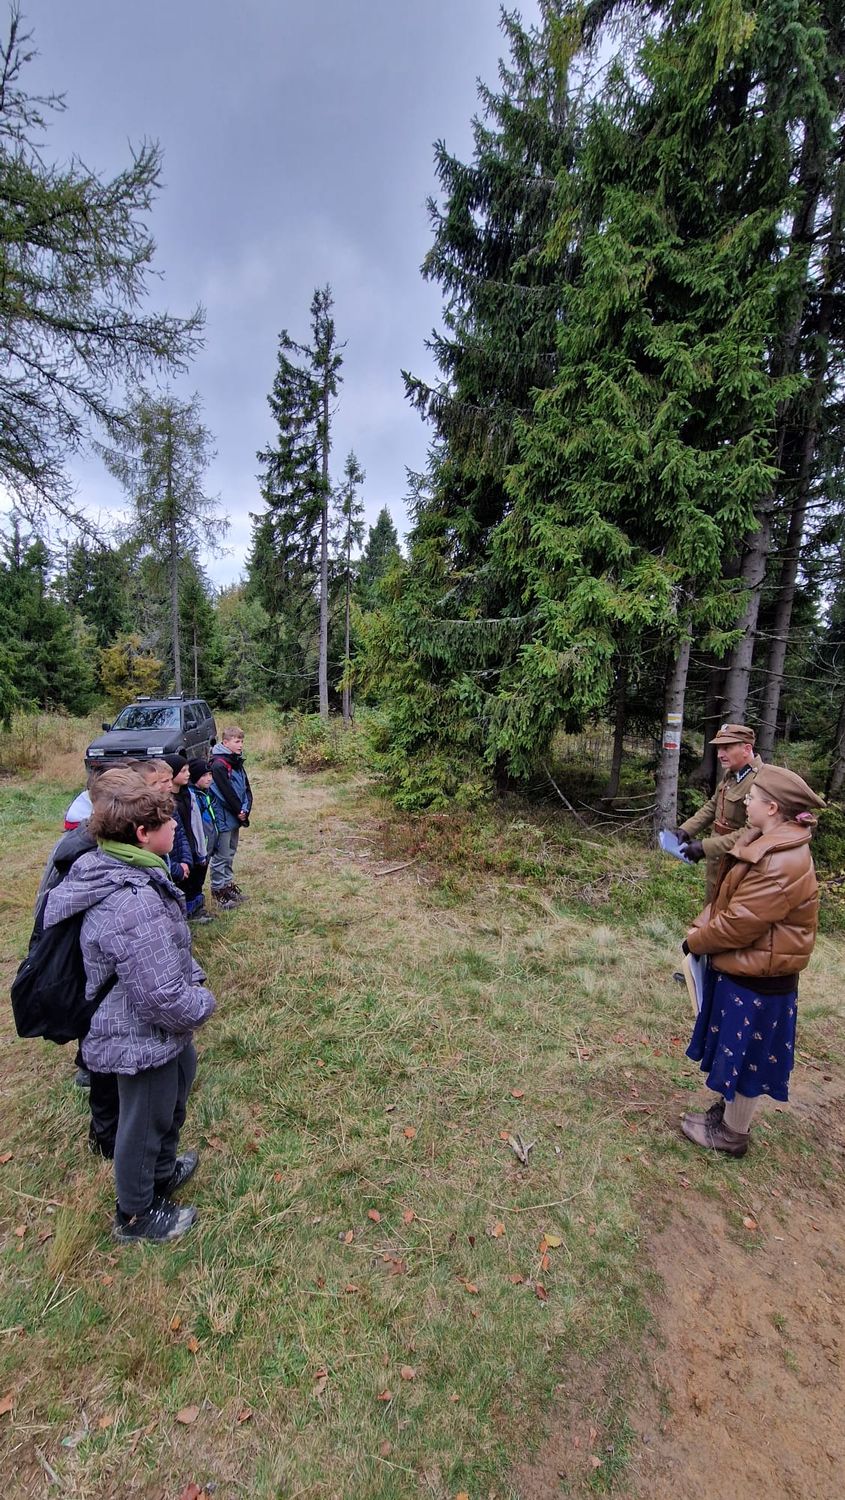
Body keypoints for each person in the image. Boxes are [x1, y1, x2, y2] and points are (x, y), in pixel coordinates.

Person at [42, 770, 215, 1242]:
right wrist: (202, 1000)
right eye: (167, 822)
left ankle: (161, 1172)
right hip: (137, 1034)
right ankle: (136, 1213)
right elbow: (160, 996)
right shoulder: (131, 899)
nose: (176, 826)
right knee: (143, 1121)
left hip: (158, 1032)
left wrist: (190, 977)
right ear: (141, 834)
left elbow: (168, 954)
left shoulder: (138, 872)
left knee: (173, 1095)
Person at [679, 765, 823, 1158]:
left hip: (760, 982)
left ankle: (732, 1135)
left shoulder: (780, 861)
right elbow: (731, 902)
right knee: (735, 1052)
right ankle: (726, 1118)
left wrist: (696, 941)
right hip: (751, 972)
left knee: (744, 1058)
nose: (747, 802)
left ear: (773, 808)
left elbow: (740, 924)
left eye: (754, 798)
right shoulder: (769, 838)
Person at [677, 724, 763, 899]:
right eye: (718, 748)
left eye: (727, 748)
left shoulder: (760, 781)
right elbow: (713, 805)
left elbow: (753, 831)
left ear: (746, 749)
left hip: (739, 867)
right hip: (719, 861)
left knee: (729, 920)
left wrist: (705, 847)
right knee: (711, 912)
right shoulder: (732, 774)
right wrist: (685, 830)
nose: (719, 754)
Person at [208, 726, 253, 909]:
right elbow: (223, 792)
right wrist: (238, 811)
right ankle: (219, 892)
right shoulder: (218, 764)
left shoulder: (236, 761)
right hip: (223, 817)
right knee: (222, 854)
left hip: (235, 816)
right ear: (225, 742)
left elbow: (246, 788)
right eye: (236, 741)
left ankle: (228, 886)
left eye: (241, 741)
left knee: (231, 851)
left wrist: (246, 808)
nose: (240, 745)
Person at [187, 759, 218, 923]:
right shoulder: (193, 797)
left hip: (208, 844)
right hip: (199, 847)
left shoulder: (206, 794)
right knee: (194, 880)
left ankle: (199, 907)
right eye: (205, 775)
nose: (209, 779)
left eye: (210, 774)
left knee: (200, 879)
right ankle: (192, 911)